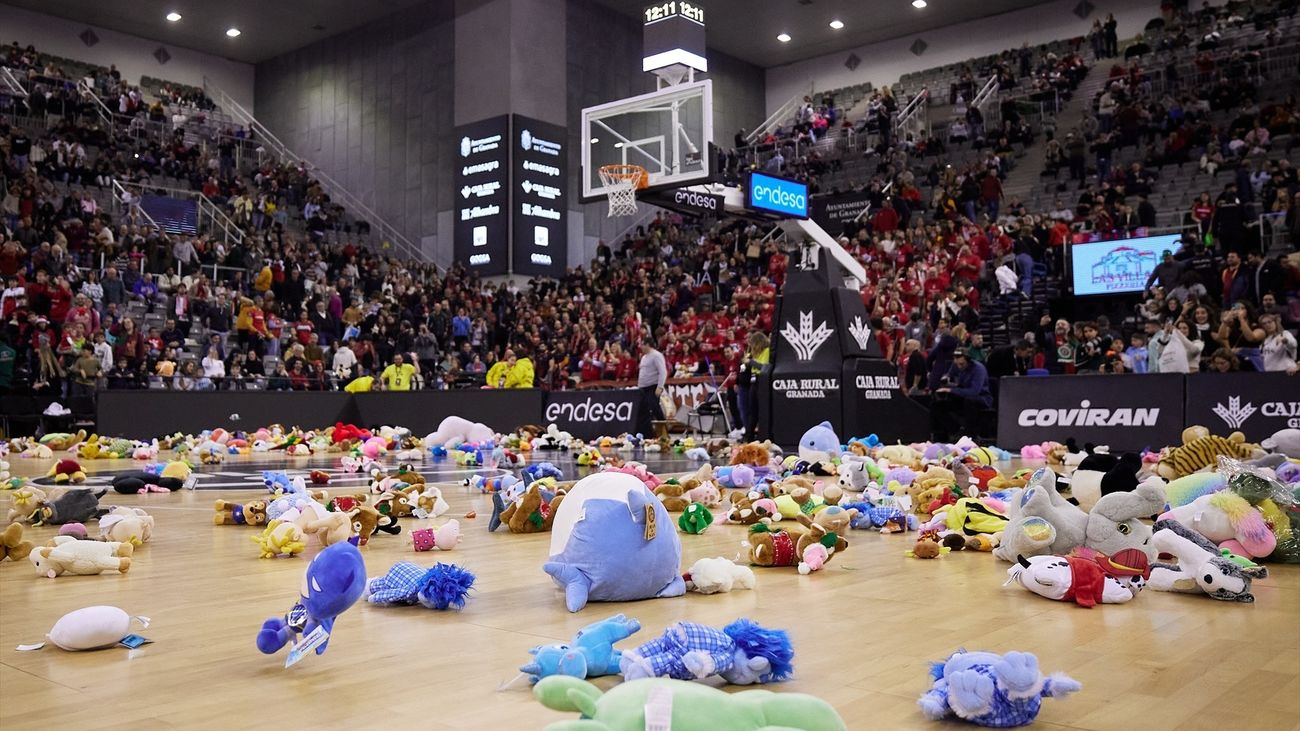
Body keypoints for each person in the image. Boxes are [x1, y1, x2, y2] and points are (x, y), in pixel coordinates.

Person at [930, 348, 992, 442]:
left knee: (969, 401)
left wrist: (951, 390)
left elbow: (974, 391)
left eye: (962, 364)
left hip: (981, 398)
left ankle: (970, 435)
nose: (959, 366)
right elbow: (949, 376)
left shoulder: (978, 369)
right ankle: (953, 431)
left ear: (968, 360)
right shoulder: (956, 365)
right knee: (937, 405)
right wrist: (946, 380)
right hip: (963, 396)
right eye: (957, 364)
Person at [736, 332, 770, 441]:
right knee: (752, 411)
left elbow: (764, 367)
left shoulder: (766, 351)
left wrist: (750, 362)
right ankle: (749, 436)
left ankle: (761, 435)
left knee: (760, 410)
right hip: (753, 381)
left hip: (761, 380)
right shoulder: (755, 353)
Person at [635, 339, 668, 439]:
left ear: (648, 345)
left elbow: (663, 372)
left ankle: (664, 433)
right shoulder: (644, 357)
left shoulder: (656, 355)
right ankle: (647, 434)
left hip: (652, 386)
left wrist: (660, 386)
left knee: (655, 408)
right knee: (643, 411)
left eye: (642, 345)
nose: (641, 347)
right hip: (643, 388)